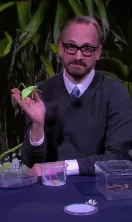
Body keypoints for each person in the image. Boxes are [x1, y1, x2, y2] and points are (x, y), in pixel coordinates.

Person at [11, 16, 132, 176]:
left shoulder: (115, 93)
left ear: (98, 52)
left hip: (98, 189)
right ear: (60, 48)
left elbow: (118, 158)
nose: (78, 56)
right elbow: (31, 162)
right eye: (71, 47)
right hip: (51, 187)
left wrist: (63, 167)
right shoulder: (41, 92)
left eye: (87, 48)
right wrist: (38, 126)